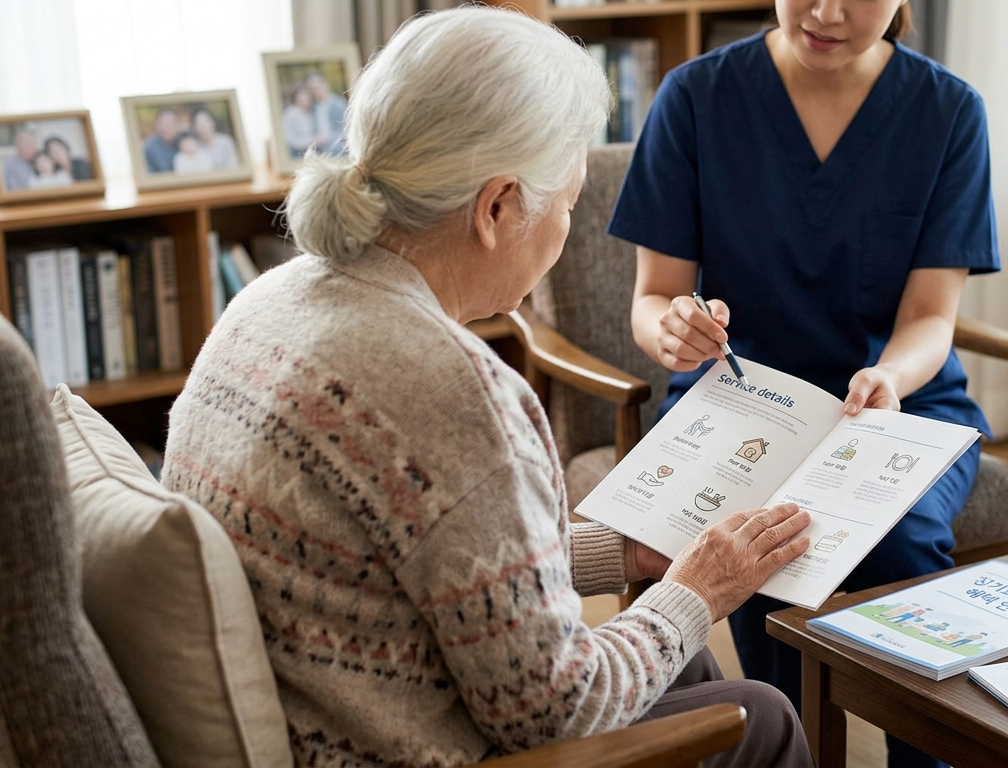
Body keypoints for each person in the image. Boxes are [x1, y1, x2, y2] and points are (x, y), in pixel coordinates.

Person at [160, 7, 814, 768]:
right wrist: (701, 590)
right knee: (759, 715)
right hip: (392, 744)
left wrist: (626, 554)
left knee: (689, 665)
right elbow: (560, 710)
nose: (568, 227)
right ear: (499, 208)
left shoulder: (271, 298)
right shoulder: (456, 394)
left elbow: (437, 556)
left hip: (326, 697)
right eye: (568, 203)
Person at [608, 1, 998, 766]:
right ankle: (790, 748)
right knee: (758, 543)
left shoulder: (948, 112)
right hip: (741, 399)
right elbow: (655, 296)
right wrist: (671, 330)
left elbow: (930, 317)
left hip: (897, 403)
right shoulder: (695, 97)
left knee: (905, 539)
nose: (824, 12)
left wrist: (888, 374)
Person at [307, 71, 349, 154]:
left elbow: (344, 130)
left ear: (325, 85)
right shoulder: (314, 107)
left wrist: (324, 138)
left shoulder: (337, 104)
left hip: (337, 149)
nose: (314, 91)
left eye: (316, 88)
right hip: (320, 149)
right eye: (312, 89)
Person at [282, 84, 318, 158]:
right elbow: (290, 139)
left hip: (313, 151)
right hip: (296, 153)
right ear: (296, 99)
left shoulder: (312, 112)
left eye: (307, 97)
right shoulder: (290, 114)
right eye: (302, 98)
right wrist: (310, 142)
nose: (305, 100)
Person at [143, 108, 181, 173]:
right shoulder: (149, 148)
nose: (167, 127)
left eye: (170, 123)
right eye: (163, 123)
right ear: (157, 125)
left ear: (177, 126)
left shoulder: (184, 142)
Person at [3, 126, 38, 191]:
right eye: (27, 143)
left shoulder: (41, 159)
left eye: (33, 143)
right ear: (18, 146)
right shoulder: (10, 164)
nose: (31, 146)